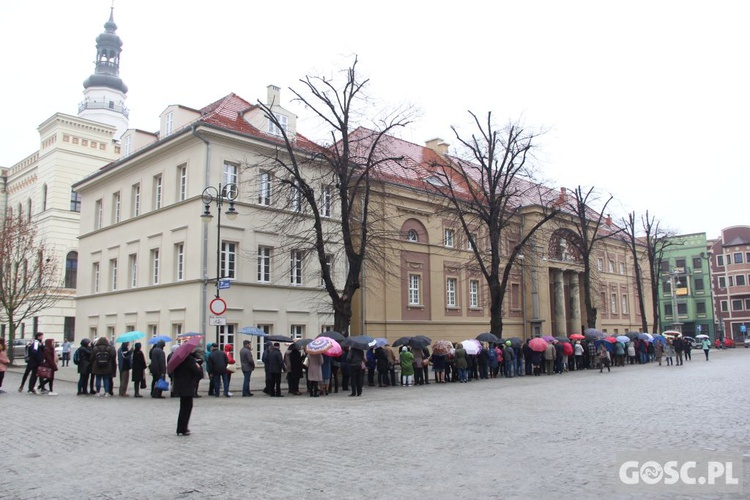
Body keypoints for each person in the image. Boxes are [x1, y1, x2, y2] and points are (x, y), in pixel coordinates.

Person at [171, 347, 204, 436]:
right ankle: (183, 428)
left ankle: (180, 428)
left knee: (183, 407)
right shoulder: (189, 359)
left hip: (180, 385)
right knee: (187, 407)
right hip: (187, 386)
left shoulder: (178, 359)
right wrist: (198, 365)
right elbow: (198, 373)